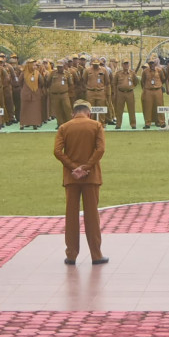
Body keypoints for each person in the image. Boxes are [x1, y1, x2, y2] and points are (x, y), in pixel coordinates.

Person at [53, 99, 107, 265]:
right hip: (91, 177)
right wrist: (86, 167)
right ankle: (96, 255)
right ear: (88, 113)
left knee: (71, 216)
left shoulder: (64, 127)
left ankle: (71, 255)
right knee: (92, 216)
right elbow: (100, 149)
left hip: (72, 177)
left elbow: (57, 151)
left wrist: (73, 168)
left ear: (73, 113)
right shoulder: (96, 126)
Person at [140, 57, 166, 129]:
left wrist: (159, 85)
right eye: (150, 63)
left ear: (155, 64)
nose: (152, 65)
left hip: (157, 90)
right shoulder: (145, 71)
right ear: (148, 64)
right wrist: (146, 88)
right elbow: (143, 81)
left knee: (160, 106)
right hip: (148, 90)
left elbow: (163, 79)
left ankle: (161, 122)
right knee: (148, 107)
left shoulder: (159, 70)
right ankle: (148, 123)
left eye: (153, 63)